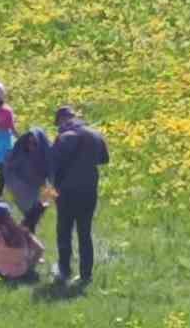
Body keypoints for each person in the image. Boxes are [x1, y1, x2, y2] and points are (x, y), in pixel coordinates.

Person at [50, 105, 108, 284]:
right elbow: (104, 159)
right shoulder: (95, 135)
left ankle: (64, 270)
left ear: (61, 120)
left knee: (64, 231)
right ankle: (85, 275)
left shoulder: (63, 137)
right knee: (85, 232)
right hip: (89, 190)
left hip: (67, 192)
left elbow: (53, 165)